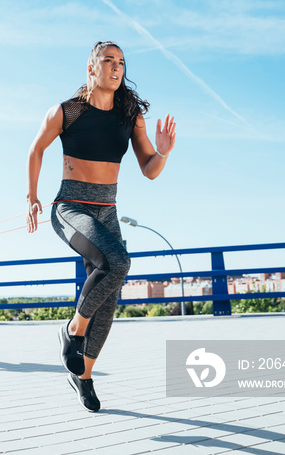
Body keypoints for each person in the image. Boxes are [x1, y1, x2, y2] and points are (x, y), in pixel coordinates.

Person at [26, 41, 176, 411]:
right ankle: (72, 330)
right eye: (108, 61)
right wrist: (31, 196)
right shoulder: (67, 111)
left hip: (107, 209)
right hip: (71, 206)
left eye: (121, 62)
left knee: (109, 299)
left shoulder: (129, 116)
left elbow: (150, 171)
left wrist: (164, 151)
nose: (116, 67)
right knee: (118, 263)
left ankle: (84, 376)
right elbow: (36, 149)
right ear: (91, 68)